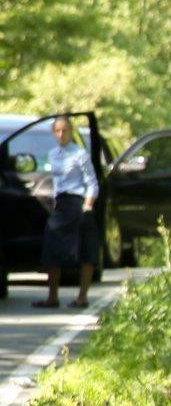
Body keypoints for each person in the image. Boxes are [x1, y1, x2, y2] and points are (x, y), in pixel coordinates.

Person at [35, 116, 100, 309]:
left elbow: (92, 183)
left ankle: (82, 297)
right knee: (51, 246)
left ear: (71, 132)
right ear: (53, 133)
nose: (61, 134)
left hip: (79, 203)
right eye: (58, 131)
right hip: (62, 204)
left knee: (85, 247)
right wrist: (55, 201)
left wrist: (88, 206)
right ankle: (52, 296)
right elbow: (57, 182)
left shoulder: (80, 154)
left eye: (65, 130)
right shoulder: (53, 154)